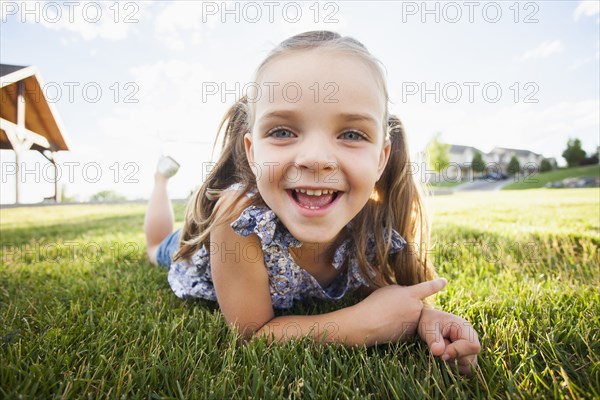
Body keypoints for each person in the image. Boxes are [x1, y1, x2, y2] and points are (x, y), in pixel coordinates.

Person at [144, 31, 480, 375]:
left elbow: (383, 295)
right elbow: (251, 336)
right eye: (282, 132)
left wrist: (424, 316)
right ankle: (160, 180)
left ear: (381, 159)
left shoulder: (369, 221)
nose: (316, 159)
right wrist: (359, 324)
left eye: (351, 134)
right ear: (252, 151)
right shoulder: (237, 219)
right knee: (157, 247)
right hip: (201, 251)